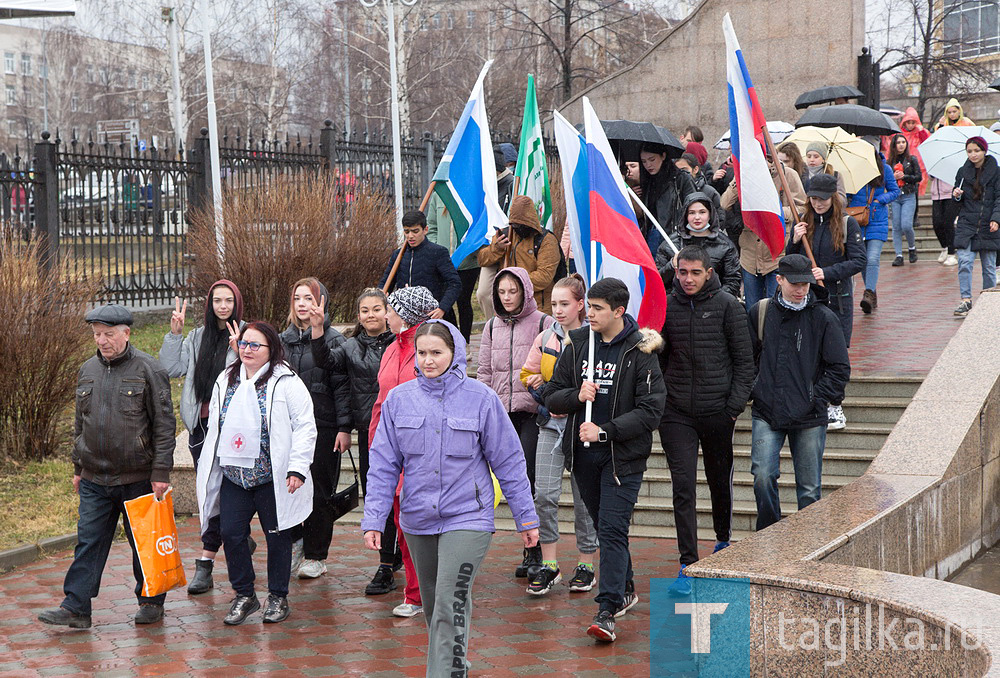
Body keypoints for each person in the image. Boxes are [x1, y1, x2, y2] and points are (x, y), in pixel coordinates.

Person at [363, 320, 539, 678]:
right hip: (416, 518)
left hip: (468, 517)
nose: (428, 361)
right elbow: (382, 464)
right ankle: (455, 659)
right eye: (423, 353)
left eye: (436, 353)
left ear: (455, 352)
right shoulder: (400, 399)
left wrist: (527, 518)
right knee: (434, 606)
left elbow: (508, 460)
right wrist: (373, 518)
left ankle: (446, 673)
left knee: (449, 601)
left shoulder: (481, 398)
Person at [39, 305, 176, 629]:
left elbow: (164, 424)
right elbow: (80, 422)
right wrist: (77, 465)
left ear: (126, 333)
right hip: (94, 478)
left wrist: (160, 473)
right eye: (97, 334)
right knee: (88, 541)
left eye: (109, 334)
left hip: (137, 478)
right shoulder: (87, 369)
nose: (102, 340)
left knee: (142, 543)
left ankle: (151, 600)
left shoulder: (148, 369)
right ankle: (76, 607)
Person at [545, 278, 666, 643]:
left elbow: (651, 410)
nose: (588, 313)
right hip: (583, 458)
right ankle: (626, 588)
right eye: (589, 307)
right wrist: (574, 394)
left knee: (612, 530)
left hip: (622, 458)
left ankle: (607, 609)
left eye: (596, 308)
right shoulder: (580, 344)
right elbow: (551, 397)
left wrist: (606, 431)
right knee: (606, 528)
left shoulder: (641, 351)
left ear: (618, 310)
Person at [196, 321, 317, 625]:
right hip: (234, 475)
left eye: (255, 345)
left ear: (271, 349)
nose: (247, 350)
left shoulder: (286, 381)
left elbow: (304, 425)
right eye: (244, 344)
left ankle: (277, 596)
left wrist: (297, 467)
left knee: (277, 537)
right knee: (230, 533)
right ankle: (244, 594)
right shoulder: (227, 378)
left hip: (270, 476)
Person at [657, 246, 753, 596]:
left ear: (708, 272)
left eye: (695, 273)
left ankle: (723, 541)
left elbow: (745, 361)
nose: (688, 279)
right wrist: (664, 399)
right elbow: (658, 355)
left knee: (718, 479)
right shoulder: (667, 305)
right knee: (683, 486)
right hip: (676, 412)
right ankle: (687, 562)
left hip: (718, 410)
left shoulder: (728, 305)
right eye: (682, 272)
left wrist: (733, 407)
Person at [747, 255, 850, 531]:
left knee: (809, 490)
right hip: (767, 410)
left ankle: (808, 546)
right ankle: (769, 535)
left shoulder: (823, 317)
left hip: (810, 416)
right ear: (779, 280)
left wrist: (814, 397)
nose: (800, 289)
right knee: (762, 476)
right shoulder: (761, 312)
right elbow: (747, 359)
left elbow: (840, 368)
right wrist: (754, 390)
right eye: (794, 283)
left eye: (805, 283)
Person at [159, 281, 246, 595]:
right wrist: (175, 334)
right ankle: (233, 534)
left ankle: (206, 562)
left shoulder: (249, 335)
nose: (222, 306)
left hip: (236, 431)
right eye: (216, 300)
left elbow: (260, 376)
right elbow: (170, 368)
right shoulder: (196, 337)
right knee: (210, 492)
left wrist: (241, 352)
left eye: (228, 301)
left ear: (237, 303)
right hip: (201, 428)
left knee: (224, 492)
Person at [311, 288, 399, 594]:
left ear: (388, 312)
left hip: (404, 431)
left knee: (405, 494)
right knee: (377, 493)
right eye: (365, 310)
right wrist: (319, 328)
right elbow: (324, 360)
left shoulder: (401, 343)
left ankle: (402, 552)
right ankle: (386, 563)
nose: (371, 315)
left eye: (377, 309)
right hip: (370, 431)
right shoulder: (350, 347)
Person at [519, 274, 598, 596]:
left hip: (582, 429)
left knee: (584, 500)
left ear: (581, 305)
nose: (559, 310)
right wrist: (543, 393)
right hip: (550, 424)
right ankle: (549, 564)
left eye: (565, 304)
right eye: (554, 304)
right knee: (545, 496)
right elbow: (527, 373)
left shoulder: (593, 340)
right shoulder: (546, 337)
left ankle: (586, 563)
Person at [477, 266, 554, 579]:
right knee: (510, 481)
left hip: (533, 412)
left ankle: (535, 551)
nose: (507, 297)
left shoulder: (543, 323)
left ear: (525, 290)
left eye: (513, 291)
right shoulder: (492, 327)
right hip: (501, 413)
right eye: (502, 292)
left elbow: (556, 364)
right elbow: (483, 372)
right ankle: (529, 548)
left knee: (529, 480)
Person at [368, 286, 440, 618]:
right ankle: (415, 593)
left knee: (425, 526)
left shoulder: (428, 349)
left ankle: (437, 589)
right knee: (403, 525)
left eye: (391, 310)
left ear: (407, 314)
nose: (386, 315)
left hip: (421, 455)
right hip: (390, 452)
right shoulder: (390, 349)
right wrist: (374, 446)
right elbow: (380, 403)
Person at [786, 173, 865, 430]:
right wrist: (794, 241)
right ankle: (814, 402)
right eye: (813, 198)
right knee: (811, 354)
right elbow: (791, 264)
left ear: (833, 198)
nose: (818, 203)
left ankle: (835, 404)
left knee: (836, 355)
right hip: (810, 300)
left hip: (837, 300)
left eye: (823, 199)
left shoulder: (845, 224)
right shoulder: (804, 223)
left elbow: (858, 261)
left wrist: (827, 273)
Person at [281, 278, 348, 580]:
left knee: (320, 491)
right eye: (298, 298)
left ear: (322, 302)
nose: (303, 304)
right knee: (290, 489)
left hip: (324, 425)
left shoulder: (334, 340)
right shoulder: (281, 341)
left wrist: (344, 427)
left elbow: (342, 387)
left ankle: (316, 555)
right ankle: (296, 543)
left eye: (309, 298)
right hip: (289, 428)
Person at [721, 154, 807, 309]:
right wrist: (739, 177)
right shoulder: (745, 175)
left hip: (777, 252)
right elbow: (724, 203)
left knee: (776, 307)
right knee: (752, 308)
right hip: (750, 254)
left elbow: (802, 208)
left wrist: (775, 213)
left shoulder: (788, 174)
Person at [477, 195, 561, 310]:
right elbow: (482, 260)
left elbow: (544, 277)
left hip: (537, 306)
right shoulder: (506, 235)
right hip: (508, 304)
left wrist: (514, 282)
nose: (518, 228)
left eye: (522, 225)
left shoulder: (546, 240)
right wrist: (496, 249)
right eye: (515, 224)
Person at [379, 210, 462, 326]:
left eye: (415, 231)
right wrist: (379, 298)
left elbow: (454, 283)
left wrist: (442, 308)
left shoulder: (438, 252)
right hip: (404, 319)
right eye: (406, 231)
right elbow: (386, 282)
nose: (410, 236)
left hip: (432, 318)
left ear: (425, 230)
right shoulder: (398, 255)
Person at [848, 139, 900, 314]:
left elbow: (895, 191)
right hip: (856, 221)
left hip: (877, 220)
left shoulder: (884, 169)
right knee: (863, 260)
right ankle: (872, 292)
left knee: (872, 258)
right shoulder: (852, 170)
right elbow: (846, 193)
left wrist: (879, 200)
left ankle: (868, 293)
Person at [655, 192, 741, 297]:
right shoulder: (670, 244)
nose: (697, 217)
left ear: (710, 214)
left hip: (713, 307)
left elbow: (733, 281)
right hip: (679, 306)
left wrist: (716, 300)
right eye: (692, 213)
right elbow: (657, 280)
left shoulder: (725, 245)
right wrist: (671, 265)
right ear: (685, 215)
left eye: (702, 212)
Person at [951, 136, 1000, 317]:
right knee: (964, 262)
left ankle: (988, 300)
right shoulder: (963, 172)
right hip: (966, 224)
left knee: (988, 266)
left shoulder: (996, 172)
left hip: (989, 225)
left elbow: (999, 198)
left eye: (976, 151)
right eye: (970, 151)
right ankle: (965, 300)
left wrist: (996, 218)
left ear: (984, 151)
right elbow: (956, 202)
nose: (973, 155)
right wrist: (956, 194)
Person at [426, 191, 479, 341]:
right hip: (444, 263)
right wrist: (437, 249)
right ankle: (453, 340)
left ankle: (465, 341)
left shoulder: (469, 191)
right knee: (445, 303)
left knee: (463, 302)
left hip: (467, 262)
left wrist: (470, 250)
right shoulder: (438, 193)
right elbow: (432, 225)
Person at [475, 148, 517, 318]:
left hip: (513, 246)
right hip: (492, 248)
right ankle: (494, 327)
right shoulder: (484, 187)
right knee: (484, 293)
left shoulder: (513, 184)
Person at [638, 144, 697, 255]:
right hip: (651, 235)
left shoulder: (681, 179)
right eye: (644, 161)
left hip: (674, 236)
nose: (648, 165)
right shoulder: (647, 181)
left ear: (663, 156)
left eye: (652, 159)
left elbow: (694, 207)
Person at [888, 133, 922, 266]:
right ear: (894, 145)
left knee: (906, 225)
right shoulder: (889, 162)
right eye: (898, 142)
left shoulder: (911, 159)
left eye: (903, 142)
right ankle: (899, 255)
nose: (901, 145)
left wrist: (905, 176)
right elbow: (885, 179)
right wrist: (893, 177)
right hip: (895, 196)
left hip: (908, 195)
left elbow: (918, 177)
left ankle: (912, 248)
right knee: (896, 226)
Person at [898, 107, 930, 194]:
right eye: (909, 123)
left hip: (919, 162)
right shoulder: (900, 134)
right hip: (904, 161)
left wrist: (921, 132)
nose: (911, 125)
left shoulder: (920, 132)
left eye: (913, 123)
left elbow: (927, 143)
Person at [932, 173, 960, 266]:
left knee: (948, 223)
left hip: (949, 194)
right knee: (937, 224)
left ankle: (951, 253)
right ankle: (945, 247)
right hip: (936, 195)